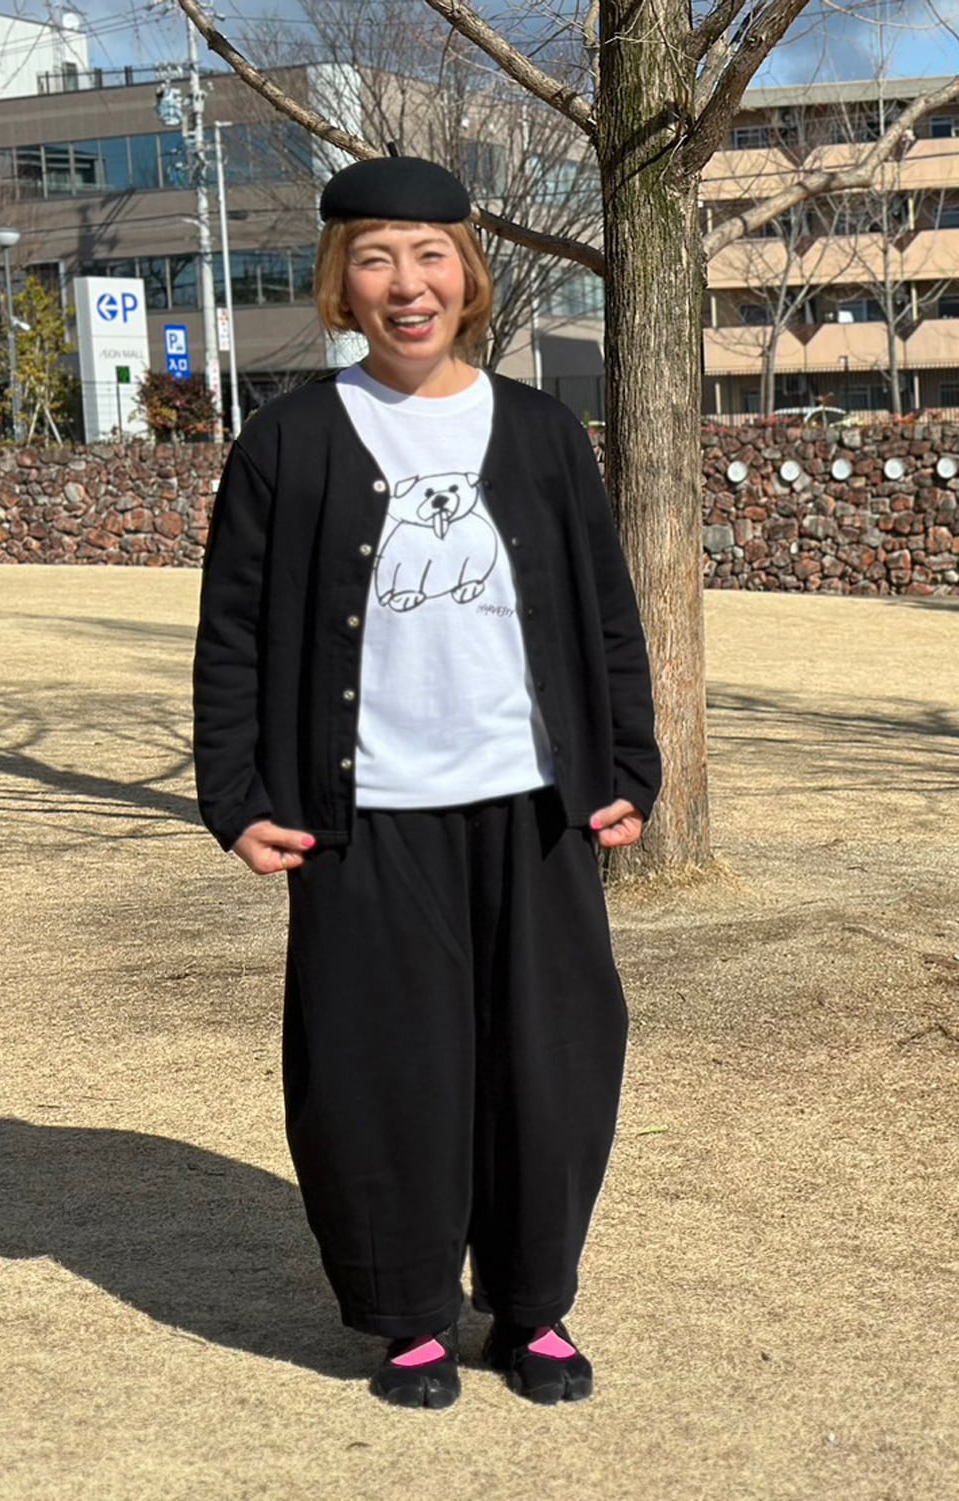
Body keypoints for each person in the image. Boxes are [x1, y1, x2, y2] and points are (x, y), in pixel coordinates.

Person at [193, 155, 662, 1410]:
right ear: (341, 283)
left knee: (553, 1064)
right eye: (376, 258)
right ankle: (407, 1314)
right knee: (382, 1069)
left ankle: (532, 1304)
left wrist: (627, 768)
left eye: (430, 255)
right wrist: (236, 795)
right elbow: (231, 631)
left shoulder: (543, 432)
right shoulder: (289, 441)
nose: (407, 284)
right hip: (364, 821)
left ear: (468, 274)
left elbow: (606, 615)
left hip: (531, 806)